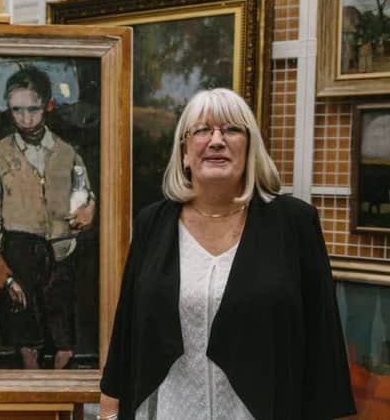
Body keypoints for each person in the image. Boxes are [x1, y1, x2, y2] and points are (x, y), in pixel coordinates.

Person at [98, 88, 356, 419]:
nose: (216, 140)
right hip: (170, 410)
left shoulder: (294, 223)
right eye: (202, 130)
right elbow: (126, 328)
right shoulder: (153, 223)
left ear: (250, 149)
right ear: (184, 153)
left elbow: (323, 339)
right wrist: (108, 411)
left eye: (231, 129)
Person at [0, 66, 95, 369]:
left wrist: (86, 210)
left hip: (61, 246)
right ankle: (32, 380)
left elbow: (84, 193)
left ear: (48, 107)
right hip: (19, 246)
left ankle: (58, 384)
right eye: (17, 110)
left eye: (33, 109)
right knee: (26, 324)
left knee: (61, 323)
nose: (25, 118)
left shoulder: (67, 152)